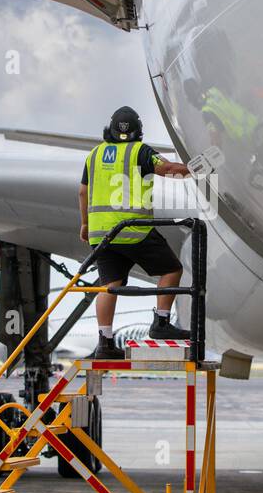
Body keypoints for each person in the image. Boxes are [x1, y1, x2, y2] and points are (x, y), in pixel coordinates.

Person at [80, 106, 193, 360]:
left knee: (109, 286)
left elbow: (82, 192)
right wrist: (195, 169)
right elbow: (167, 170)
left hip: (102, 234)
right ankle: (161, 322)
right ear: (138, 131)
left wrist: (85, 224)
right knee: (172, 269)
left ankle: (105, 343)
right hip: (133, 230)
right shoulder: (139, 151)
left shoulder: (94, 155)